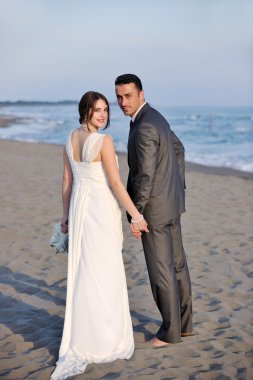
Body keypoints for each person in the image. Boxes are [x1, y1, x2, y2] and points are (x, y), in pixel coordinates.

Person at [50, 91, 148, 380]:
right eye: (97, 110)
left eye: (106, 109)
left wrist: (66, 216)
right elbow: (116, 184)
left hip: (81, 210)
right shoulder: (104, 142)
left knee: (86, 273)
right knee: (104, 273)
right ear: (85, 111)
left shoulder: (69, 139)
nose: (103, 115)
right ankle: (104, 340)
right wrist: (137, 215)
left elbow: (67, 183)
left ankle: (86, 335)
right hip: (100, 212)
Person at [115, 74, 193, 347]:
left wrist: (136, 215)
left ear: (141, 94)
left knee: (162, 273)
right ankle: (184, 326)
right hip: (171, 204)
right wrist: (176, 185)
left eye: (128, 96)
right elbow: (179, 149)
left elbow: (144, 176)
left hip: (155, 212)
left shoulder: (145, 126)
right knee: (177, 266)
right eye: (119, 97)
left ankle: (170, 334)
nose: (123, 102)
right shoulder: (157, 117)